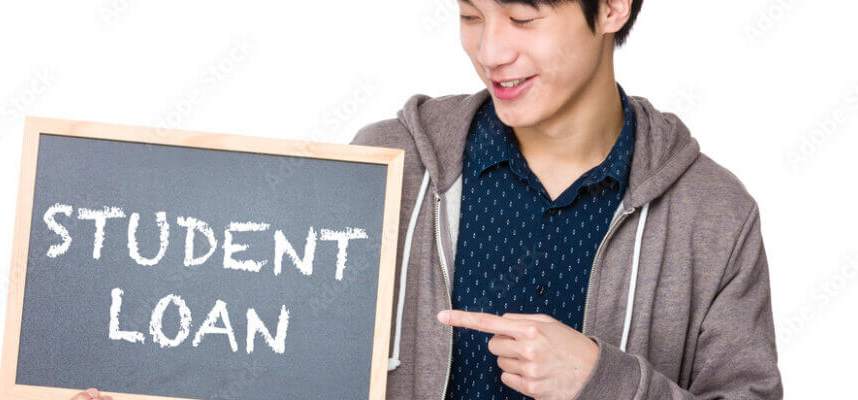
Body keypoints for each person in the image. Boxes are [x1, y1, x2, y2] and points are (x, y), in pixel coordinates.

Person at [71, 0, 783, 398]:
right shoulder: (391, 161)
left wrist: (605, 382)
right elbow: (283, 366)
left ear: (612, 9)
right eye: (471, 15)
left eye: (524, 18)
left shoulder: (713, 215)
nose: (490, 50)